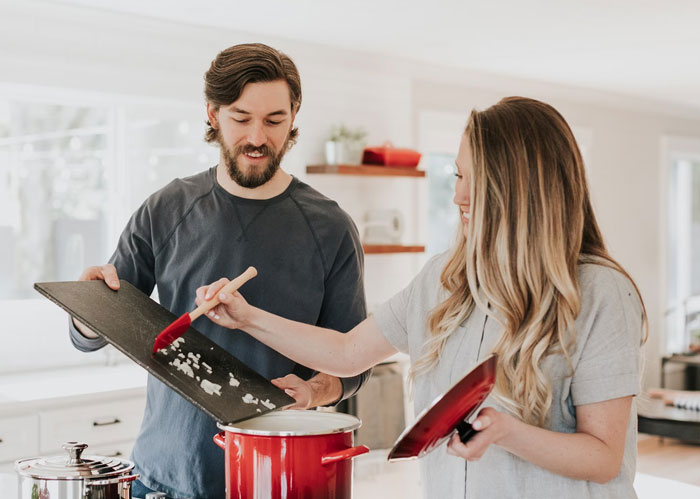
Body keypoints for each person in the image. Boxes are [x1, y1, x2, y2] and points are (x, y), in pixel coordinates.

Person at [198, 97, 648, 498]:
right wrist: (247, 317)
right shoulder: (444, 279)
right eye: (457, 175)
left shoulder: (600, 293)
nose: (458, 195)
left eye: (476, 180)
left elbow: (604, 457)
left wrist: (507, 432)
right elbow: (348, 351)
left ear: (522, 188)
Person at [69, 43, 370, 498]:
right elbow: (91, 332)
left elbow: (354, 361)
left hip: (278, 477)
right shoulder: (166, 209)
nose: (257, 137)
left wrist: (315, 391)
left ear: (293, 117)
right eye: (241, 118)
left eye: (274, 121)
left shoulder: (330, 228)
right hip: (163, 477)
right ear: (213, 113)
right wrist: (83, 309)